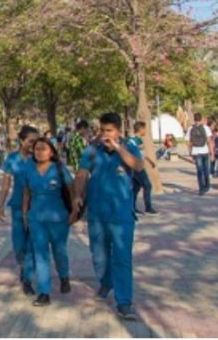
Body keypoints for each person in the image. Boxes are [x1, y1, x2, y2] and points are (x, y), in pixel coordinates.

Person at [72, 112, 144, 320]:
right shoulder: (92, 150)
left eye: (109, 130)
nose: (105, 134)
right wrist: (77, 196)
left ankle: (124, 301)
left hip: (121, 215)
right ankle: (106, 281)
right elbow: (82, 174)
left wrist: (118, 148)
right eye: (102, 130)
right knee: (99, 255)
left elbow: (137, 166)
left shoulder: (129, 147)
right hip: (96, 213)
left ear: (119, 131)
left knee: (122, 258)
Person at [22, 138, 74, 307]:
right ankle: (44, 292)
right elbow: (27, 194)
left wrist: (74, 212)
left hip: (58, 218)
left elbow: (72, 191)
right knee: (41, 255)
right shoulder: (29, 169)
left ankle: (64, 276)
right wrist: (25, 215)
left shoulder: (59, 168)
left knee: (59, 251)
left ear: (51, 152)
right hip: (36, 219)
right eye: (37, 149)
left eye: (43, 149)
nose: (39, 152)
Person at [0, 125, 40, 296]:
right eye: (30, 141)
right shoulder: (12, 159)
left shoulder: (39, 158)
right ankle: (23, 266)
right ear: (21, 141)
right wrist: (0, 205)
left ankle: (28, 278)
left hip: (37, 208)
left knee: (33, 245)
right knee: (19, 244)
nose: (33, 144)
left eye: (36, 141)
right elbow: (6, 184)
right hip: (16, 207)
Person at [128, 122, 158, 215]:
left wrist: (150, 161)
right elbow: (133, 154)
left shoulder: (138, 140)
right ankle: (148, 208)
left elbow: (141, 154)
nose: (146, 131)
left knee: (136, 188)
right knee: (147, 185)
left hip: (138, 166)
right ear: (140, 129)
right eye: (145, 129)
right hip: (137, 167)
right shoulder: (133, 141)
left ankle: (132, 208)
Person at [187, 113, 213, 195]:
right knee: (206, 169)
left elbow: (188, 142)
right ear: (201, 119)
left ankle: (201, 188)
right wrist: (211, 152)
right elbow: (209, 141)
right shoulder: (206, 128)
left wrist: (190, 154)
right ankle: (207, 185)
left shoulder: (190, 128)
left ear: (194, 119)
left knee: (199, 171)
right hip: (205, 151)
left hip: (196, 152)